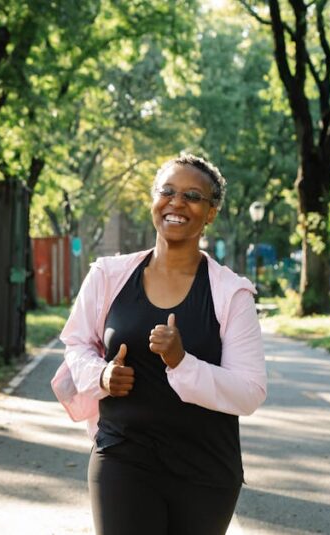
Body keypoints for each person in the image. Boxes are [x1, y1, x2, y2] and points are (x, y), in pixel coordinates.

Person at [51, 154, 267, 535]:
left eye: (193, 196)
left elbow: (249, 392)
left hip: (206, 469)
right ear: (153, 200)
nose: (177, 202)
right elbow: (76, 345)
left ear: (211, 212)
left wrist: (181, 362)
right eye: (166, 191)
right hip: (122, 455)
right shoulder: (108, 276)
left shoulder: (231, 294)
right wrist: (102, 376)